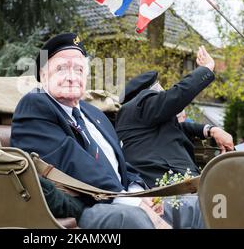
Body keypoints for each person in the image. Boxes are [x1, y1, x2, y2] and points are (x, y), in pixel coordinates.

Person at [11, 33, 204, 229]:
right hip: (86, 206)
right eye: (61, 69)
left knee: (199, 206)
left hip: (125, 199)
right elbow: (73, 161)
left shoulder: (95, 114)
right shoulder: (35, 105)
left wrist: (141, 192)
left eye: (79, 70)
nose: (72, 77)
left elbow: (122, 166)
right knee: (133, 219)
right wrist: (130, 200)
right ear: (44, 76)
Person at [115, 46, 234, 188]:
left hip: (178, 185)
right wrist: (206, 69)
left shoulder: (143, 122)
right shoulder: (140, 105)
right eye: (158, 91)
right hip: (169, 187)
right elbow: (176, 96)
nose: (163, 92)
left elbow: (178, 128)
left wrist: (211, 130)